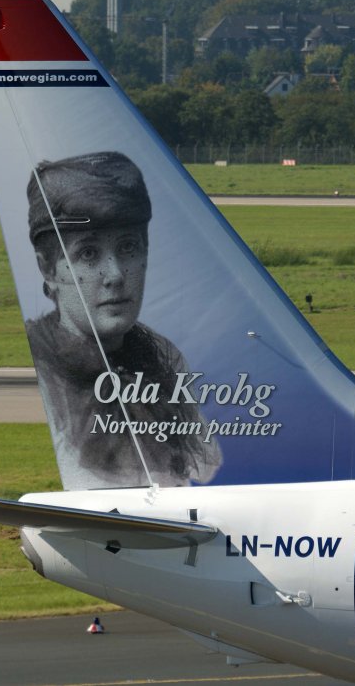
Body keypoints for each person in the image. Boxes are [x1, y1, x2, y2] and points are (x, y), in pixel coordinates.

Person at [24, 151, 221, 489]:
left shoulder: (163, 356)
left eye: (129, 248)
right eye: (88, 253)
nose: (115, 275)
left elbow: (205, 466)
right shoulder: (44, 368)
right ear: (48, 268)